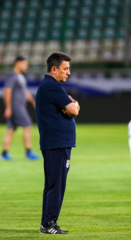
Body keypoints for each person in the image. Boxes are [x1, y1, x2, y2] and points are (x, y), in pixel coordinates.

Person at [36, 52, 80, 234]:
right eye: (65, 68)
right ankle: (49, 224)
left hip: (55, 143)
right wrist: (74, 104)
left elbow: (71, 108)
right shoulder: (52, 86)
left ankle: (47, 223)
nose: (68, 73)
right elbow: (74, 110)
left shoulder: (50, 86)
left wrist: (72, 105)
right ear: (54, 69)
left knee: (53, 184)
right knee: (56, 185)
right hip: (57, 144)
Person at [0, 56, 40, 161]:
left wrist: (32, 101)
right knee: (28, 125)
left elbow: (24, 91)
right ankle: (28, 152)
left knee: (11, 129)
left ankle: (4, 154)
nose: (26, 66)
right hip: (16, 106)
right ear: (18, 63)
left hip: (18, 106)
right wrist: (8, 107)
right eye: (25, 64)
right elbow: (7, 91)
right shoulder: (12, 76)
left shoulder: (20, 76)